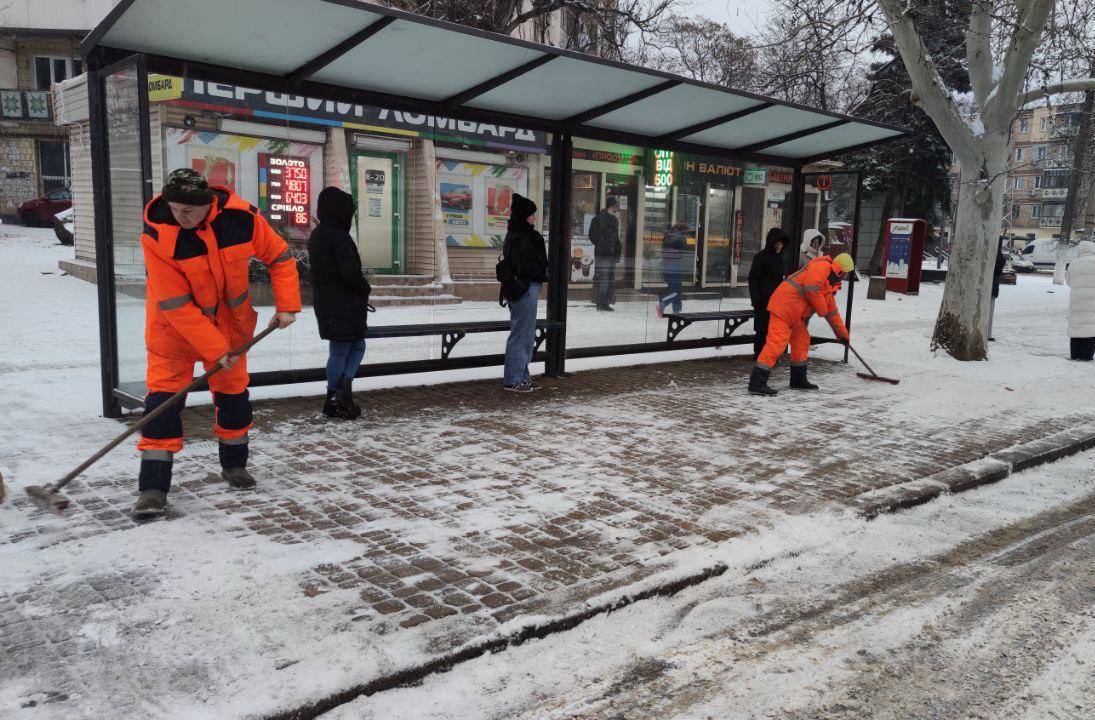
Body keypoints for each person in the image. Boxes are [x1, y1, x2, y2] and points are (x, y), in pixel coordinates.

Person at [133, 168, 301, 519]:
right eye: (175, 208)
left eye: (188, 210)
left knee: (234, 401)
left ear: (208, 204)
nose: (181, 216)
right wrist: (215, 350)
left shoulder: (241, 220)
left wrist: (287, 305)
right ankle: (153, 489)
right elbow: (175, 304)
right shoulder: (157, 235)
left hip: (231, 333)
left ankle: (234, 466)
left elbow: (281, 258)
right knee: (162, 407)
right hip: (173, 335)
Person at [749, 252, 855, 396]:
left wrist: (842, 335)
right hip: (783, 308)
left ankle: (798, 379)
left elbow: (833, 313)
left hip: (795, 315)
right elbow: (812, 289)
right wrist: (822, 310)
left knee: (802, 340)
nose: (846, 277)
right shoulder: (822, 267)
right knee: (776, 344)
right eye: (846, 273)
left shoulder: (828, 284)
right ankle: (757, 382)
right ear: (841, 270)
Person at [309, 187, 371, 419]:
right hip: (343, 302)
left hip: (328, 301)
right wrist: (365, 287)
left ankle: (337, 396)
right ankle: (337, 396)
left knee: (346, 348)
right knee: (347, 348)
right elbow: (349, 272)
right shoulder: (338, 237)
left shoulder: (319, 235)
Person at [502, 193, 549, 392]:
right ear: (524, 215)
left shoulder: (522, 234)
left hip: (525, 288)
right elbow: (526, 265)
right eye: (531, 214)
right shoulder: (521, 237)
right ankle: (513, 379)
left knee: (526, 335)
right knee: (521, 335)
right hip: (525, 288)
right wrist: (541, 271)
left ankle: (522, 375)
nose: (534, 218)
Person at [748, 228, 789, 358]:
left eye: (781, 244)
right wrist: (756, 299)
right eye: (776, 243)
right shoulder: (761, 256)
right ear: (771, 243)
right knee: (762, 329)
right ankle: (760, 355)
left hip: (776, 300)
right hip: (762, 300)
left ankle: (770, 356)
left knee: (773, 329)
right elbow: (753, 278)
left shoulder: (780, 258)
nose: (778, 246)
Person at [588, 196, 621, 311]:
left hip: (611, 254)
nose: (617, 209)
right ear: (611, 206)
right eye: (615, 206)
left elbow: (615, 238)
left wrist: (617, 251)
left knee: (609, 279)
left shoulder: (614, 220)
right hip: (603, 254)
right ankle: (601, 303)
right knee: (604, 278)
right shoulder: (599, 219)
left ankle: (605, 302)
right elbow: (592, 235)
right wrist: (601, 244)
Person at [1066, 240, 1095, 361]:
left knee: (1077, 326)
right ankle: (1086, 355)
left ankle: (1075, 353)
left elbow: (1068, 281)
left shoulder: (1073, 263)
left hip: (1077, 299)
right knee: (1090, 326)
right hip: (1092, 299)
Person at [655, 222, 690, 318]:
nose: (688, 234)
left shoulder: (668, 235)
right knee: (676, 291)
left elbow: (663, 251)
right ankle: (663, 302)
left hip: (666, 267)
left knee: (675, 290)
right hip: (676, 267)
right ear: (683, 231)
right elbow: (683, 254)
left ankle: (677, 312)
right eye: (687, 232)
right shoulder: (681, 238)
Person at [988, 237, 1006, 342]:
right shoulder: (998, 256)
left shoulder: (988, 253)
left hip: (987, 286)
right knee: (989, 311)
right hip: (993, 285)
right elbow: (1000, 266)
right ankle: (987, 334)